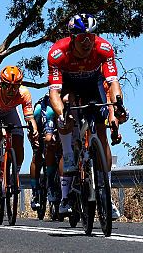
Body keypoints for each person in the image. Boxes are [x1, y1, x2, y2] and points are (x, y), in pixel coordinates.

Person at [47, 13, 129, 217]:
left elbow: (112, 83)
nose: (87, 41)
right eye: (82, 37)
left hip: (93, 85)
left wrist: (117, 106)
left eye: (90, 37)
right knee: (65, 119)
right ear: (73, 38)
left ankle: (106, 197)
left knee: (101, 133)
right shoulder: (57, 53)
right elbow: (54, 93)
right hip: (69, 87)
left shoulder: (104, 48)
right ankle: (66, 190)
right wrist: (61, 115)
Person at [0, 66, 38, 199]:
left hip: (10, 111)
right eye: (8, 86)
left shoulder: (24, 93)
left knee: (19, 137)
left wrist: (33, 130)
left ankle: (15, 175)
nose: (12, 90)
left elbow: (29, 118)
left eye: (15, 86)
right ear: (1, 84)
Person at [30, 93, 58, 212]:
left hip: (58, 121)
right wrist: (34, 138)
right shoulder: (47, 109)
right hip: (40, 122)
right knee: (39, 152)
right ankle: (36, 192)